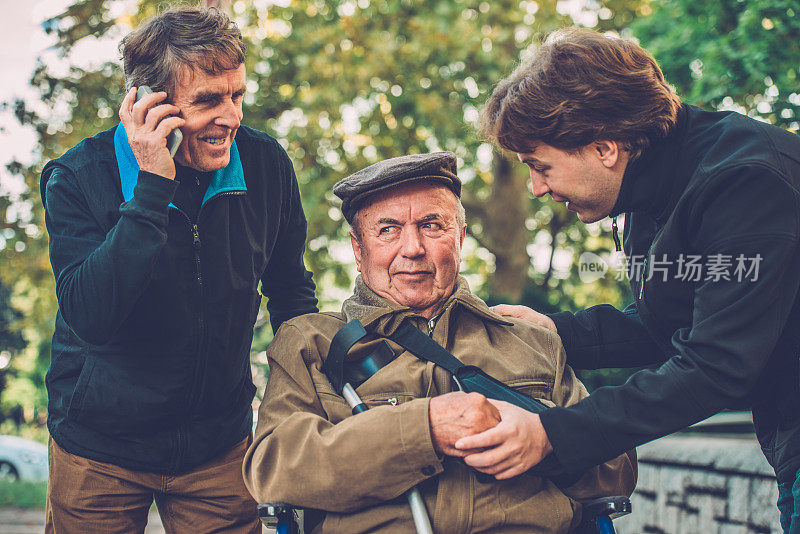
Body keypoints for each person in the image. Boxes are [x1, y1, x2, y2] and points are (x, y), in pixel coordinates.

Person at [463, 27, 800, 531]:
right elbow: (664, 323)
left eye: (540, 166)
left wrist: (552, 434)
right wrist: (557, 334)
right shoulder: (650, 189)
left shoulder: (745, 182)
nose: (535, 189)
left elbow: (715, 365)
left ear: (604, 148)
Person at [242, 152, 636, 533]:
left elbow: (615, 473)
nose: (412, 248)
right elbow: (273, 469)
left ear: (460, 239)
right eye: (387, 230)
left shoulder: (531, 341)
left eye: (432, 225)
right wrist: (423, 429)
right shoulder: (310, 341)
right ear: (358, 251)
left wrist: (544, 437)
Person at [40, 6, 317, 532]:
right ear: (150, 108)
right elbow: (91, 314)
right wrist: (151, 189)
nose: (232, 116)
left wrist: (305, 395)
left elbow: (290, 292)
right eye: (209, 101)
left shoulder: (265, 165)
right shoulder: (77, 178)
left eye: (237, 95)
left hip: (219, 447)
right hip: (99, 453)